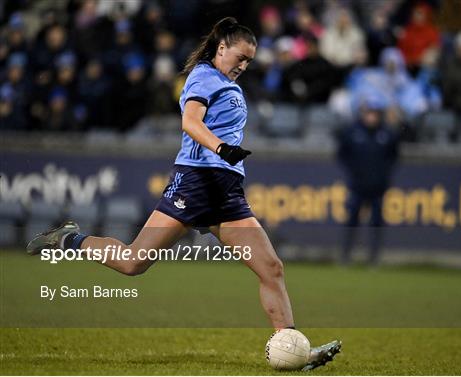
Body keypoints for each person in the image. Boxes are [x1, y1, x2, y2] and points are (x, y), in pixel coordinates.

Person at [26, 17, 340, 371]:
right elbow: (190, 122)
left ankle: (293, 348)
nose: (243, 65)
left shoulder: (225, 81)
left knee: (271, 268)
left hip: (226, 190)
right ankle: (70, 238)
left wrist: (226, 158)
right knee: (133, 263)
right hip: (195, 181)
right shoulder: (204, 77)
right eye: (239, 57)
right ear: (221, 48)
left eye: (249, 61)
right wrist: (221, 149)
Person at [336, 97, 399, 265]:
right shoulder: (353, 132)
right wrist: (354, 171)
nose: (371, 117)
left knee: (376, 222)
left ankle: (374, 257)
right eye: (369, 113)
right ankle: (346, 255)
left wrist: (383, 175)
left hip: (378, 187)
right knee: (352, 221)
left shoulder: (387, 133)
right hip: (357, 185)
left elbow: (393, 157)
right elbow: (342, 154)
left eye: (375, 114)